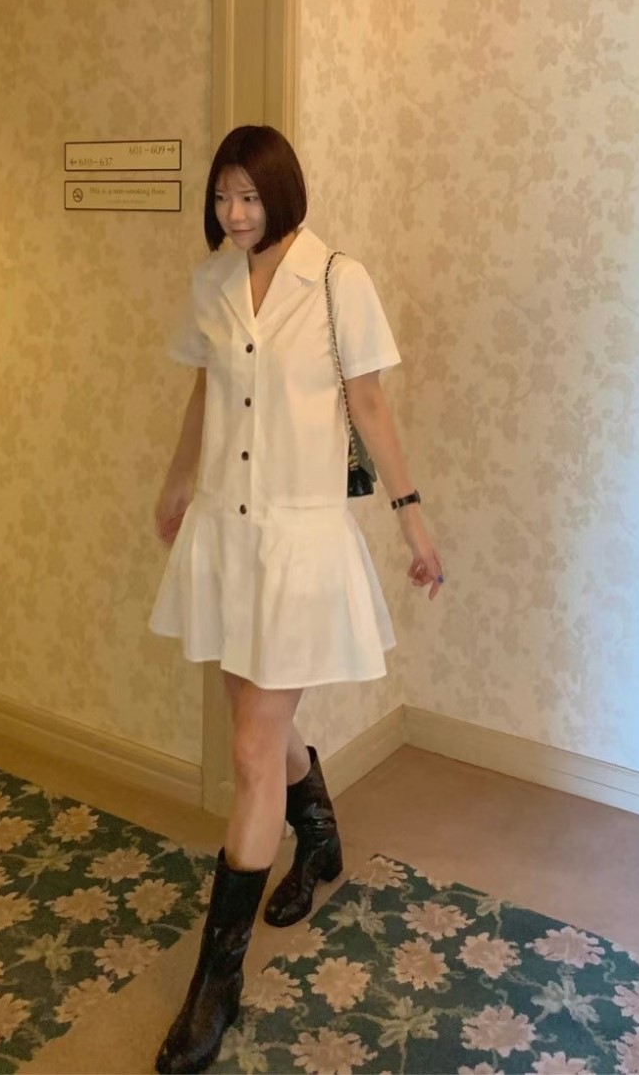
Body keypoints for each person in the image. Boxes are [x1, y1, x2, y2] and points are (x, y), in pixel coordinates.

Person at [149, 124, 443, 1074]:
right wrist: (177, 479)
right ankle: (317, 835)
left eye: (249, 196)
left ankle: (216, 984)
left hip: (300, 537)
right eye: (222, 196)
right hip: (226, 534)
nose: (235, 213)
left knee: (248, 750)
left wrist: (411, 519)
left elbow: (372, 407)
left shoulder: (337, 281)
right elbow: (207, 392)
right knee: (260, 728)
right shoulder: (211, 281)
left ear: (282, 193)